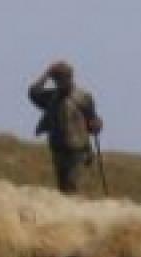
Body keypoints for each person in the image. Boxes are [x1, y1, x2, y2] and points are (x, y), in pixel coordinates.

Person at [28, 60, 102, 194]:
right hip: (58, 148)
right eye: (58, 79)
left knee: (72, 186)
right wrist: (47, 73)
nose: (62, 82)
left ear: (70, 77)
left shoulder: (83, 97)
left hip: (78, 149)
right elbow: (33, 92)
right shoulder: (51, 97)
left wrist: (97, 125)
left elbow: (93, 119)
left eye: (65, 78)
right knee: (63, 187)